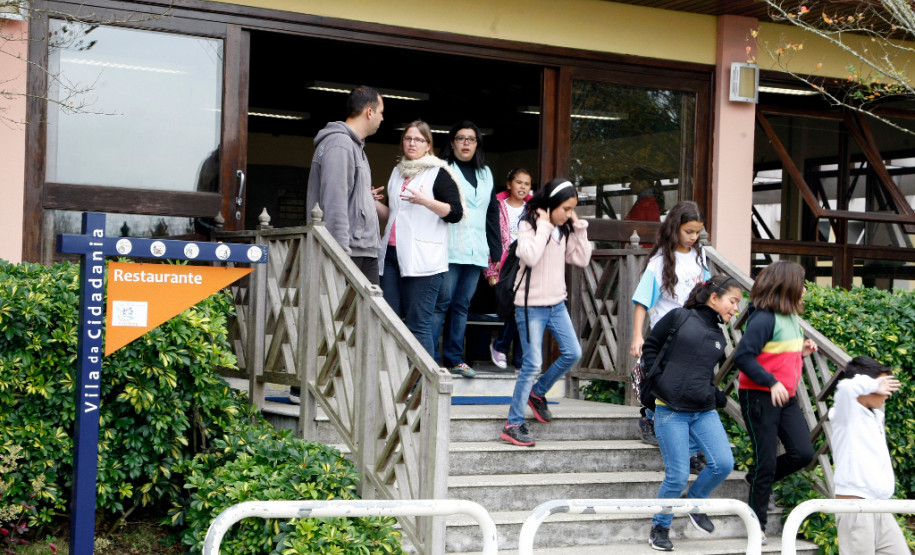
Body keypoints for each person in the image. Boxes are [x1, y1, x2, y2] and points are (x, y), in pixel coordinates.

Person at [643, 276, 741, 552]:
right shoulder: (679, 317)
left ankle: (694, 501)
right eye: (732, 301)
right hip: (670, 409)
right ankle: (660, 527)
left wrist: (714, 395)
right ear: (714, 298)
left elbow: (700, 372)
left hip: (702, 410)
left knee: (722, 463)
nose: (735, 308)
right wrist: (661, 382)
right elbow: (651, 347)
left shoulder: (720, 336)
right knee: (676, 475)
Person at [499, 178, 592, 447]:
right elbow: (530, 256)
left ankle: (537, 394)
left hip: (556, 305)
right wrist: (544, 226)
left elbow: (582, 259)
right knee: (531, 365)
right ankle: (513, 423)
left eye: (572, 209)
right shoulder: (529, 224)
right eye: (565, 208)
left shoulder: (564, 229)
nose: (568, 214)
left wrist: (579, 229)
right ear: (551, 204)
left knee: (573, 352)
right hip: (530, 306)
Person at [734, 260, 818, 545]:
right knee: (766, 461)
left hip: (787, 397)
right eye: (802, 283)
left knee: (803, 453)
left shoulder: (791, 317)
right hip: (759, 396)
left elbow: (777, 355)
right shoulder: (764, 318)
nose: (805, 288)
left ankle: (757, 478)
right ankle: (756, 524)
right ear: (787, 287)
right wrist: (771, 382)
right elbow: (742, 357)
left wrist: (802, 352)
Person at [630, 201, 710, 474]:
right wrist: (637, 337)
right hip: (668, 337)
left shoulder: (700, 258)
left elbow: (708, 293)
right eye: (688, 231)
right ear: (674, 228)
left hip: (695, 336)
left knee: (688, 392)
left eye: (697, 232)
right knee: (671, 390)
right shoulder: (659, 262)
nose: (693, 237)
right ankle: (652, 420)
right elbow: (642, 302)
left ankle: (691, 451)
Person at [377, 121, 464, 356]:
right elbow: (392, 214)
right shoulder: (398, 171)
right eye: (408, 138)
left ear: (428, 145)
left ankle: (423, 387)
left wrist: (428, 202)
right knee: (389, 319)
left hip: (424, 260)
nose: (412, 143)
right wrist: (371, 202)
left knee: (418, 324)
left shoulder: (439, 172)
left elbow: (456, 213)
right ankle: (395, 382)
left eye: (418, 139)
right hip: (392, 255)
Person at [432, 121, 502, 378]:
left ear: (477, 144)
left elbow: (492, 212)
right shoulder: (443, 169)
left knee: (462, 305)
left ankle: (453, 359)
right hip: (449, 247)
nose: (466, 143)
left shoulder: (486, 173)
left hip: (476, 250)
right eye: (460, 138)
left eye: (471, 139)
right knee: (442, 303)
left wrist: (496, 251)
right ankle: (430, 358)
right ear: (452, 143)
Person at [305, 85, 385, 285]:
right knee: (346, 316)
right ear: (369, 112)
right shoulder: (340, 144)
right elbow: (334, 202)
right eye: (381, 113)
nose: (382, 119)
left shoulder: (354, 146)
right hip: (349, 253)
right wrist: (340, 255)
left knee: (365, 316)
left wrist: (364, 197)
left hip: (362, 250)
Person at [829, 356, 906, 555]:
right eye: (882, 385)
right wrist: (873, 384)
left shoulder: (874, 415)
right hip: (855, 507)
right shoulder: (844, 414)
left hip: (880, 506)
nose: (887, 391)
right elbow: (846, 388)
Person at [484, 168, 533, 371]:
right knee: (516, 308)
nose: (522, 187)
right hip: (502, 267)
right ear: (509, 184)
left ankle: (519, 358)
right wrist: (490, 272)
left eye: (527, 184)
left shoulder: (533, 210)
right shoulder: (496, 205)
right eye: (519, 182)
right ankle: (502, 346)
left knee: (526, 309)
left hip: (526, 265)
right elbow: (490, 238)